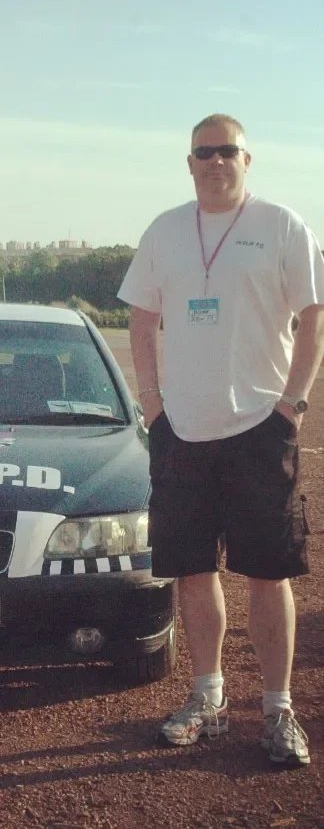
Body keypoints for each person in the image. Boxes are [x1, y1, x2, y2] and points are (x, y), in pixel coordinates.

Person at [118, 114, 324, 768]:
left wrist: (292, 405)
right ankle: (206, 702)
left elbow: (314, 315)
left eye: (226, 151)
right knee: (192, 570)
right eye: (203, 152)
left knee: (268, 573)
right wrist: (153, 406)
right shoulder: (164, 230)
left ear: (247, 158)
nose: (215, 161)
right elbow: (141, 318)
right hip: (182, 431)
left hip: (260, 430)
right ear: (189, 163)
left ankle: (276, 709)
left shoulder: (282, 226)